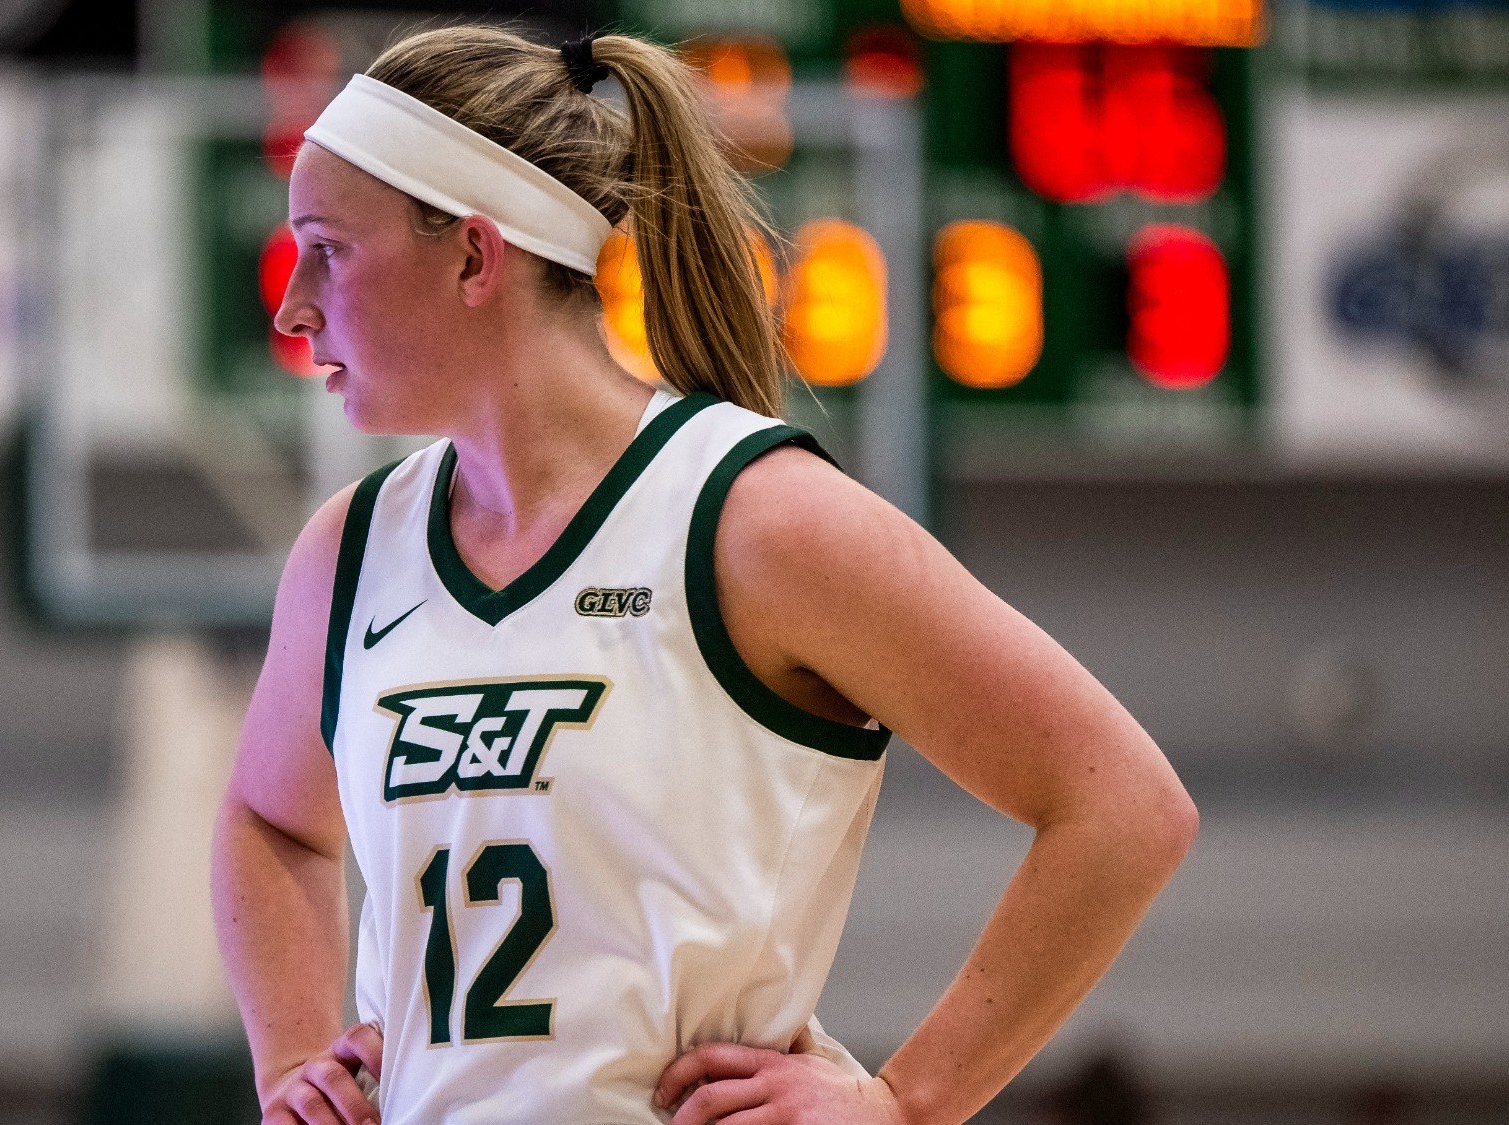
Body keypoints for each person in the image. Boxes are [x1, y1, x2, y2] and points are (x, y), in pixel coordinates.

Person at [210, 25, 1196, 1125]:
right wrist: (295, 1065)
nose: (292, 305)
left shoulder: (754, 521)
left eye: (328, 249)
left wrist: (903, 1104)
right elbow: (268, 820)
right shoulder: (349, 552)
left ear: (474, 256)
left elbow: (1121, 805)